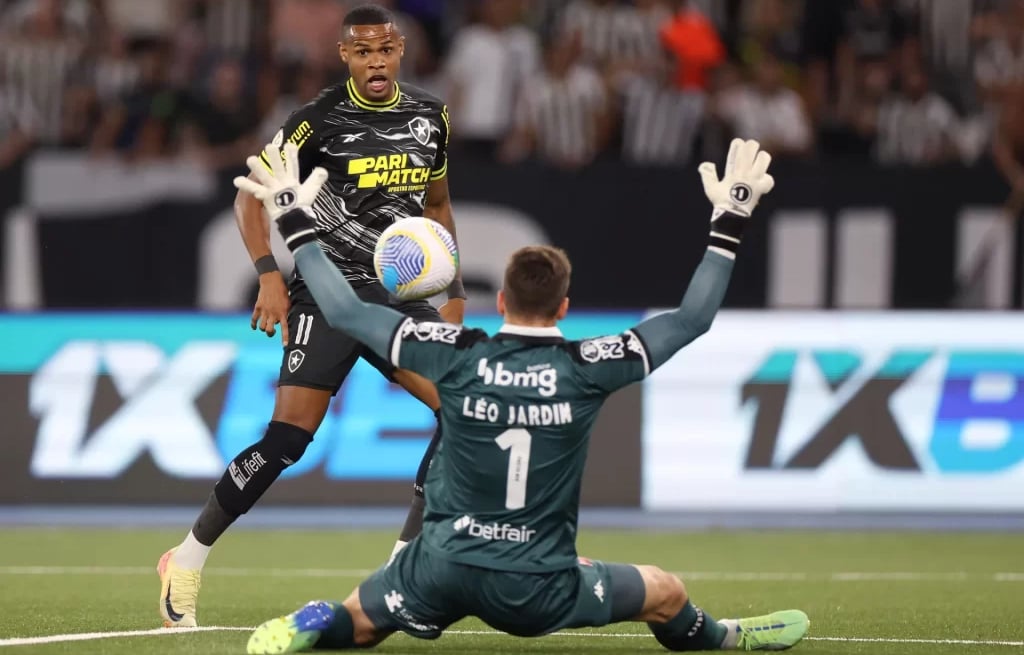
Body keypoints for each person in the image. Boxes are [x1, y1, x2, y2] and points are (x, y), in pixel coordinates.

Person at [234, 136, 810, 653]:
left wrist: (294, 218)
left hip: (440, 566)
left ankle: (322, 622)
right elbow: (690, 320)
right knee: (664, 590)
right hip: (537, 583)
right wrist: (729, 219)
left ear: (502, 301)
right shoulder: (588, 365)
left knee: (359, 621)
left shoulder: (452, 350)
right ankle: (726, 638)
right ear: (563, 308)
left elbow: (345, 311)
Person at [157, 4, 465, 628]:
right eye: (362, 52)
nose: (375, 61)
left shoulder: (432, 116)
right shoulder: (314, 121)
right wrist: (269, 275)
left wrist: (453, 291)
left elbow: (437, 204)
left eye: (385, 50)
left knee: (458, 411)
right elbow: (251, 194)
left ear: (400, 50)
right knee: (287, 440)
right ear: (345, 56)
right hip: (325, 293)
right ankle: (185, 559)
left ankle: (400, 572)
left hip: (399, 297)